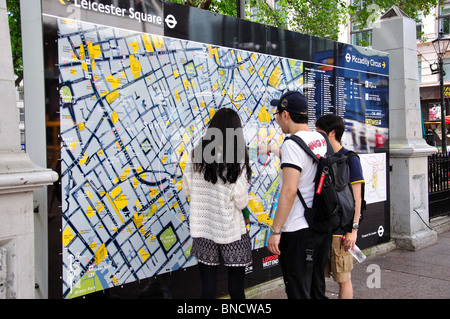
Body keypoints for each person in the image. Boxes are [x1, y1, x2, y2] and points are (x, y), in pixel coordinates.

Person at [259, 90, 329, 299]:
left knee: (298, 291)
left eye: (277, 114)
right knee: (317, 288)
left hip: (298, 230)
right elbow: (305, 160)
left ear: (286, 115)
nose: (277, 119)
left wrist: (276, 230)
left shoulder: (291, 143)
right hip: (318, 226)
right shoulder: (320, 138)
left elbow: (289, 191)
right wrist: (273, 149)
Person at [182, 107, 252, 299]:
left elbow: (187, 189)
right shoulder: (237, 159)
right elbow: (241, 200)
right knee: (236, 289)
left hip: (204, 229)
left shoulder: (196, 155)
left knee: (208, 289)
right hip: (231, 231)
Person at [315, 114, 365, 299]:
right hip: (321, 229)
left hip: (341, 232)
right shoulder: (321, 158)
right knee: (316, 277)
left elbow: (357, 199)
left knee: (343, 279)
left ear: (332, 133)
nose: (316, 136)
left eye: (320, 132)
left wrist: (354, 230)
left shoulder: (350, 159)